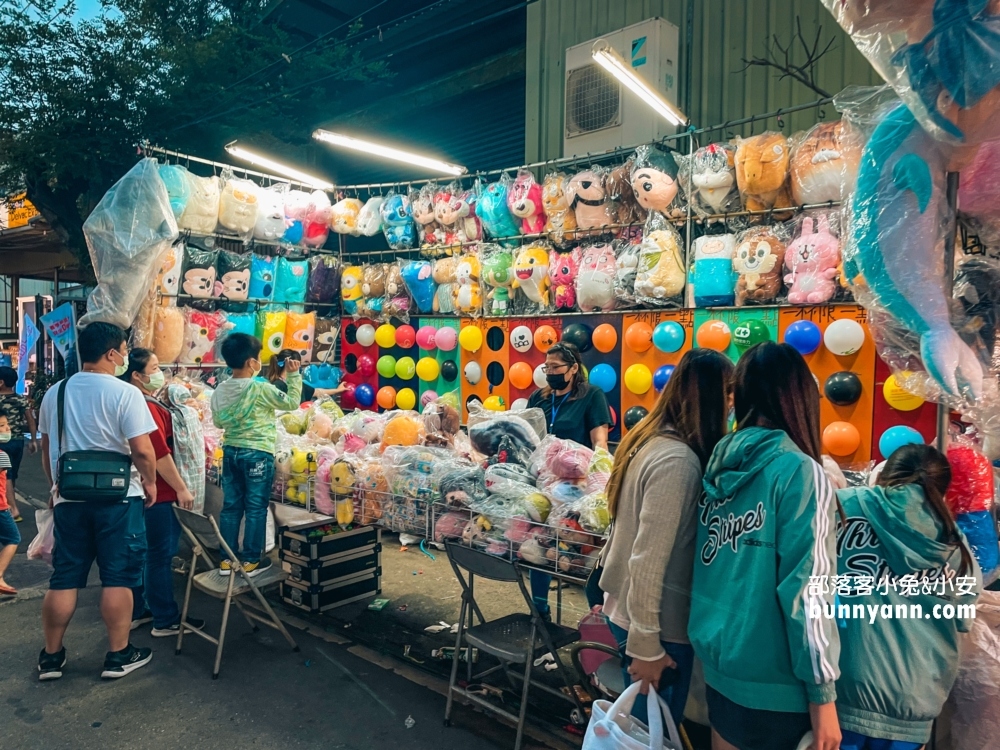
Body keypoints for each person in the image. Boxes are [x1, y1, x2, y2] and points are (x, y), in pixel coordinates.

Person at [689, 342, 841, 750]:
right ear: (800, 397)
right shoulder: (799, 471)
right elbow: (809, 592)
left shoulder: (718, 462)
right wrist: (823, 696)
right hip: (778, 686)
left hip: (720, 668)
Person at [599, 349, 734, 727]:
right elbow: (647, 560)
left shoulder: (653, 440)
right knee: (649, 732)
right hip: (656, 625)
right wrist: (646, 645)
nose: (731, 405)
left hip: (639, 615)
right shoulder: (678, 462)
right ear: (710, 397)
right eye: (727, 394)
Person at [836, 443, 980, 749]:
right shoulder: (955, 543)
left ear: (885, 476)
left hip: (842, 689)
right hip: (915, 695)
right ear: (941, 487)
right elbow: (962, 619)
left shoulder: (839, 508)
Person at [37, 322, 158, 681]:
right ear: (112, 354)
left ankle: (51, 658)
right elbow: (142, 449)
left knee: (65, 577)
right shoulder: (126, 394)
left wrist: (55, 486)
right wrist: (150, 483)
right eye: (122, 350)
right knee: (118, 577)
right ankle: (118, 655)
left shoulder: (55, 393)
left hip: (69, 498)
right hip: (119, 499)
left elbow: (48, 449)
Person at [119, 348, 205, 637]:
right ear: (136, 375)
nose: (161, 374)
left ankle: (141, 610)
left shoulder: (128, 400)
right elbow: (157, 452)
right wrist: (181, 487)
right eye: (155, 368)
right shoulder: (146, 406)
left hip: (138, 489)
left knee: (144, 553)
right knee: (159, 554)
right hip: (160, 491)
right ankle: (165, 619)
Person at [526, 342, 612, 618]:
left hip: (577, 488)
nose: (549, 372)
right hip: (542, 485)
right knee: (540, 550)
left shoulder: (592, 396)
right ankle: (540, 613)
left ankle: (599, 619)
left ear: (574, 368)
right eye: (546, 367)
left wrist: (599, 484)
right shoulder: (538, 398)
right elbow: (530, 440)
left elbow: (600, 443)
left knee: (580, 556)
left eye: (555, 367)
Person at [212, 334, 301, 577]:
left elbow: (218, 421)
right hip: (257, 454)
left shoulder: (220, 389)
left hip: (230, 451)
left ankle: (226, 563)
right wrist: (293, 375)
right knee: (255, 508)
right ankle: (251, 561)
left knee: (230, 507)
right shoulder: (260, 388)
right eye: (259, 358)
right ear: (252, 362)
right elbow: (292, 402)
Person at [0, 365, 40, 522]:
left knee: (6, 474)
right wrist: (33, 440)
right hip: (17, 442)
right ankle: (9, 504)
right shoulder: (20, 399)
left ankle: (12, 508)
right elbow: (30, 419)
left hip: (2, 442)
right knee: (12, 473)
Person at [266, 348, 346, 404]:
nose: (299, 368)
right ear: (288, 364)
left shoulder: (297, 384)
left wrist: (338, 390)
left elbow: (317, 391)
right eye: (297, 365)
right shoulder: (277, 386)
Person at [0, 416, 19, 596]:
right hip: (0, 508)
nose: (7, 429)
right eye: (2, 426)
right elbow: (6, 484)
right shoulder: (2, 456)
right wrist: (11, 507)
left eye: (7, 424)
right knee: (13, 539)